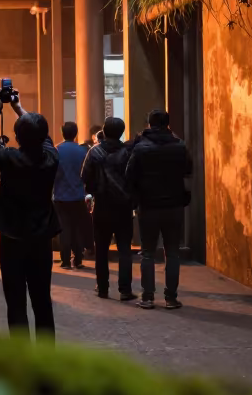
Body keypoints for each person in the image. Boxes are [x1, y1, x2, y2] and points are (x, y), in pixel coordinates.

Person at [0, 87, 59, 342]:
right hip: (41, 239)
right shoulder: (51, 158)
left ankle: (22, 359)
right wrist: (18, 109)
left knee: (15, 302)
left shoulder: (9, 158)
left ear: (16, 136)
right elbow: (44, 138)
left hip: (13, 239)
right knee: (42, 300)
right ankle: (47, 359)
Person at [126, 109, 193, 310]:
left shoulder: (140, 148)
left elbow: (129, 175)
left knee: (147, 253)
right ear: (167, 124)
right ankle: (171, 297)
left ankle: (147, 297)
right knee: (172, 252)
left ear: (149, 124)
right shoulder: (179, 145)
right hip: (173, 205)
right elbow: (188, 171)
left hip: (148, 206)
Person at [81, 117, 136, 301]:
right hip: (123, 207)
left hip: (102, 206)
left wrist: (93, 190)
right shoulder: (128, 152)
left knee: (102, 249)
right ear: (121, 132)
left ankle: (103, 287)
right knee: (124, 250)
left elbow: (85, 177)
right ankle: (125, 289)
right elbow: (134, 178)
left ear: (104, 131)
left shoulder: (95, 152)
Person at [53, 122, 90, 270]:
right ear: (76, 133)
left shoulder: (57, 150)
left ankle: (66, 261)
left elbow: (53, 174)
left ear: (62, 133)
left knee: (64, 228)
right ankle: (79, 259)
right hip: (79, 195)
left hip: (61, 196)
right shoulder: (82, 151)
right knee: (77, 227)